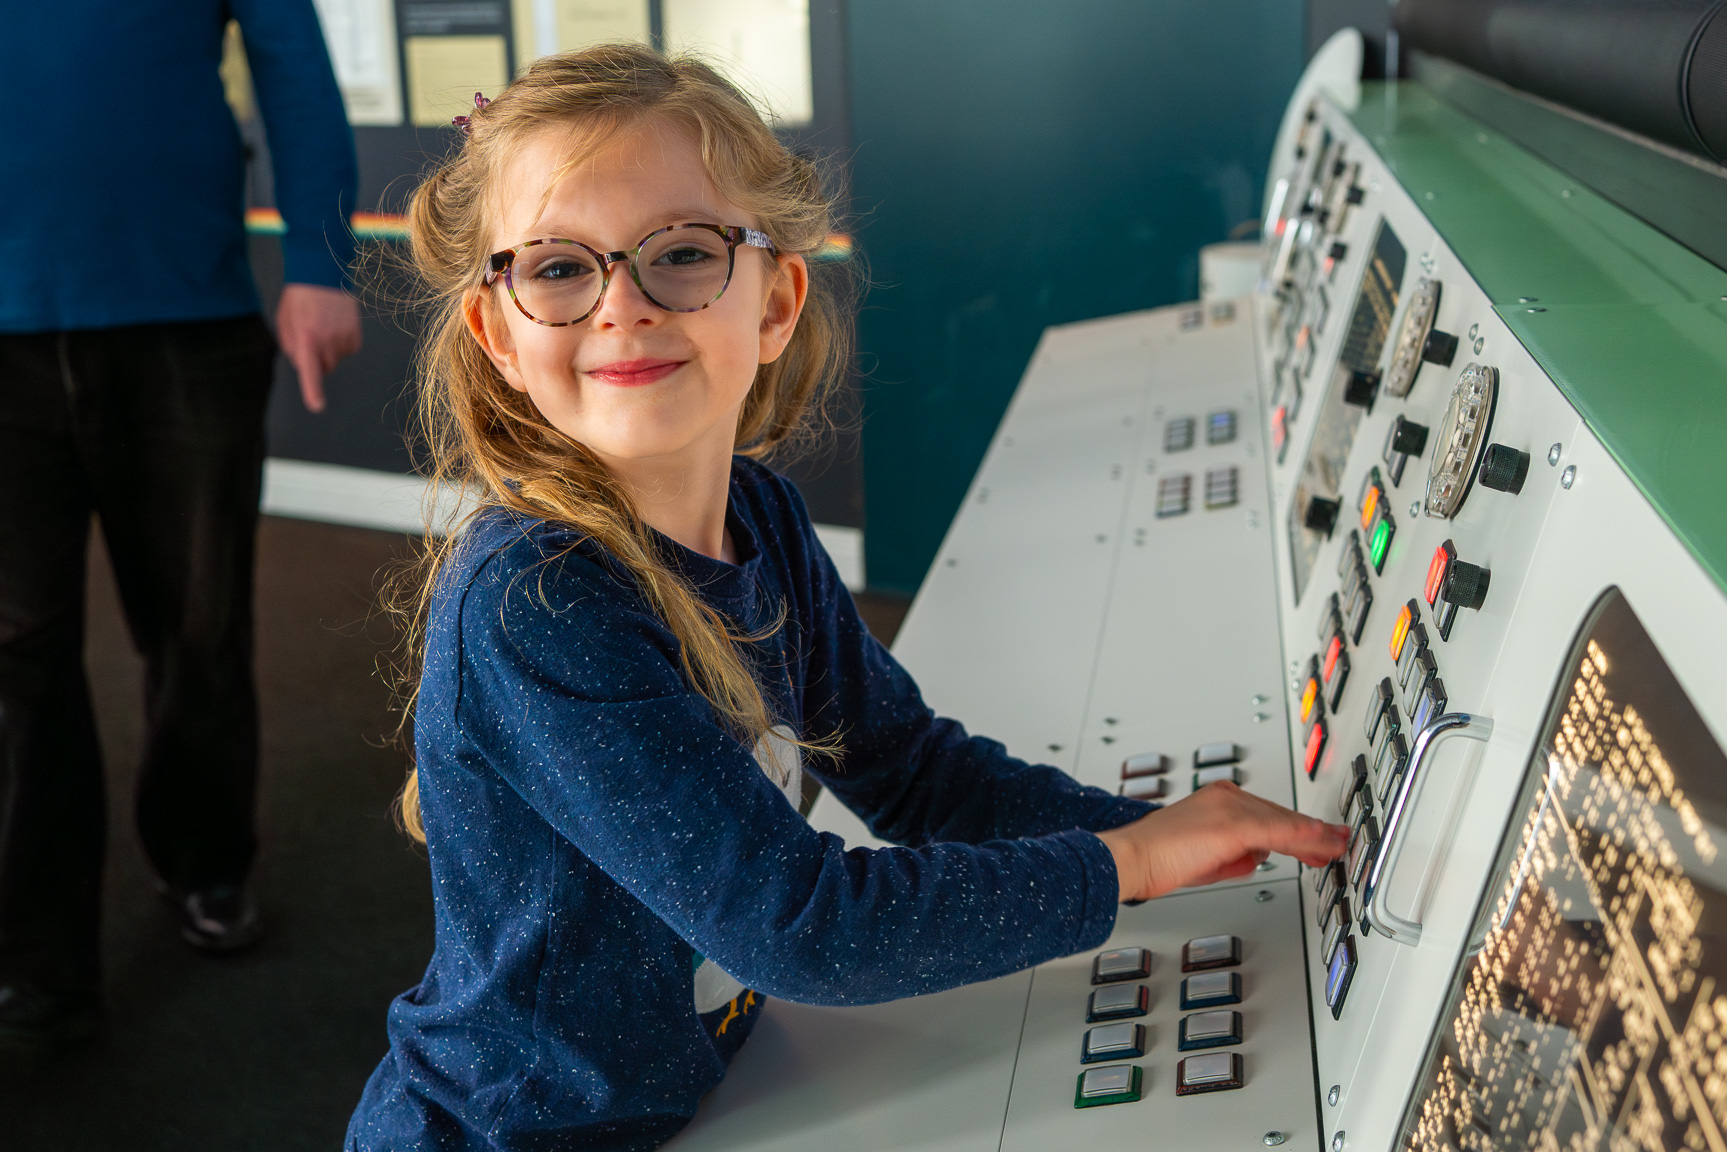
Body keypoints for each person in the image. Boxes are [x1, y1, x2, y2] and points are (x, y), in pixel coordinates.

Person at [344, 44, 1347, 1151]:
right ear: (497, 335)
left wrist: (1154, 834)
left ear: (775, 302)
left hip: (689, 1095)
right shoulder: (534, 605)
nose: (621, 306)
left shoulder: (757, 517)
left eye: (681, 254)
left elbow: (914, 773)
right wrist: (1131, 866)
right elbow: (800, 927)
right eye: (557, 268)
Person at [0, 2, 360, 1056]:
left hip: (184, 316)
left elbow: (293, 61)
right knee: (17, 657)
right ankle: (36, 952)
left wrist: (320, 262)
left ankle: (204, 860)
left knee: (197, 628)